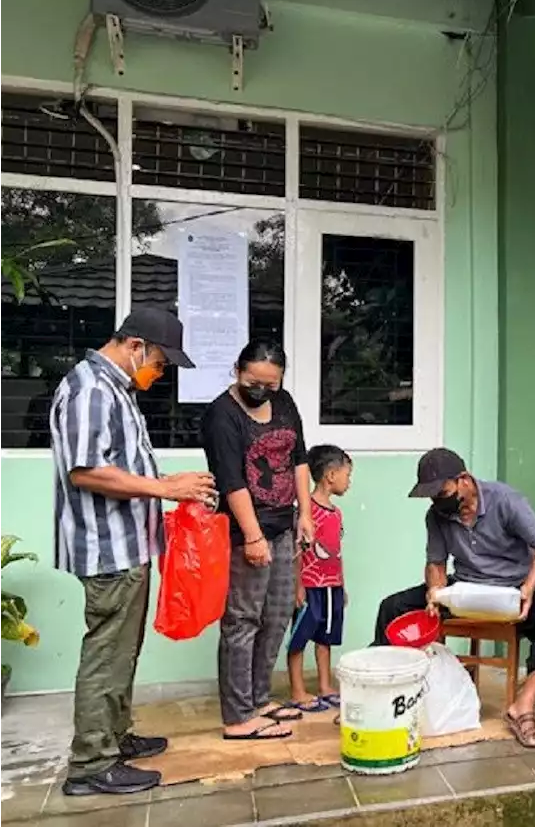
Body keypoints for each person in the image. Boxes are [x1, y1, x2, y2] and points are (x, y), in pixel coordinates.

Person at [50, 308, 218, 796]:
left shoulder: (115, 390)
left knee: (123, 652)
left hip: (128, 546)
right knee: (107, 654)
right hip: (108, 549)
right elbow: (87, 472)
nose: (160, 373)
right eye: (161, 363)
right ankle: (90, 765)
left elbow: (120, 467)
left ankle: (113, 739)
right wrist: (166, 490)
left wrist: (169, 485)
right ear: (135, 346)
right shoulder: (91, 390)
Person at [372, 448, 535, 749]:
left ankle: (524, 703)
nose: (436, 502)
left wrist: (529, 588)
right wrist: (435, 592)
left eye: (441, 493)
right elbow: (436, 563)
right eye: (431, 497)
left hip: (511, 589)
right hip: (464, 589)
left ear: (463, 480)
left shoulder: (505, 500)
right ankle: (379, 693)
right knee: (393, 606)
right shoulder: (437, 515)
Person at [201, 340, 314, 741]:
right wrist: (252, 536)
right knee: (243, 621)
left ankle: (260, 698)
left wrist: (305, 514)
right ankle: (237, 716)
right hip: (246, 531)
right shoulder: (222, 415)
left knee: (279, 613)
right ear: (237, 370)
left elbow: (300, 459)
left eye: (271, 383)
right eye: (254, 381)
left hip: (285, 525)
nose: (262, 391)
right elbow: (231, 480)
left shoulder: (284, 403)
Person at [287, 445, 352, 711]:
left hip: (331, 586)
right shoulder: (306, 511)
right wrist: (298, 585)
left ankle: (325, 685)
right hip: (310, 586)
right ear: (331, 474)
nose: (350, 482)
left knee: (326, 638)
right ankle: (297, 691)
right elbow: (297, 550)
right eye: (348, 474)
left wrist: (342, 584)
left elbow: (337, 551)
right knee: (299, 638)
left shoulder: (336, 513)